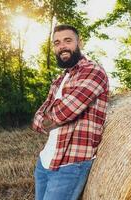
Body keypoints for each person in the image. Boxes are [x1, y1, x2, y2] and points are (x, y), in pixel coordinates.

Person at [31, 24, 109, 200]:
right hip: (44, 163)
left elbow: (64, 113)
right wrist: (52, 112)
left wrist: (51, 113)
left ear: (79, 42)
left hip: (70, 165)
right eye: (57, 43)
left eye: (68, 41)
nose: (62, 46)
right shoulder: (59, 80)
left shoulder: (93, 71)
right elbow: (36, 121)